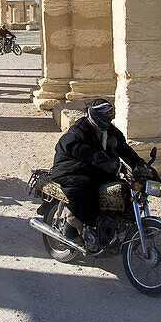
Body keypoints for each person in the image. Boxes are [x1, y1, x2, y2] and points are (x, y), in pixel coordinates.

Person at [42, 98, 143, 251]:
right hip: (72, 169)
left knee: (120, 188)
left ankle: (116, 229)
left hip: (97, 170)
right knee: (86, 187)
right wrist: (94, 157)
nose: (108, 118)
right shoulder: (80, 129)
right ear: (95, 115)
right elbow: (72, 145)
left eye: (109, 115)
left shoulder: (109, 131)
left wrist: (140, 165)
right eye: (104, 115)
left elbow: (124, 149)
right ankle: (71, 227)